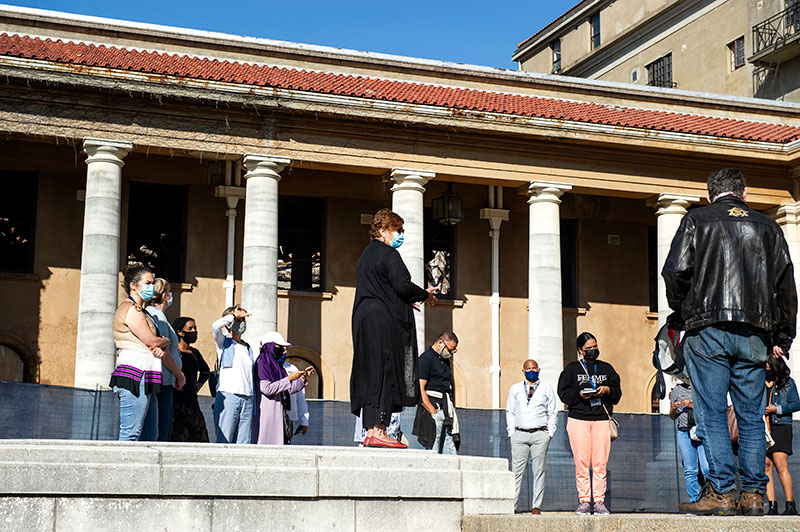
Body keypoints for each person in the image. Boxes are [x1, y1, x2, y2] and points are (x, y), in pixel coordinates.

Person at [663, 168, 797, 516]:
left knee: (711, 412)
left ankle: (722, 491)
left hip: (707, 328)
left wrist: (685, 309)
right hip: (755, 332)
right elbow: (786, 288)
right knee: (752, 416)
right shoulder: (769, 228)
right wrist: (782, 337)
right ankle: (754, 494)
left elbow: (675, 271)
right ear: (745, 193)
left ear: (710, 195)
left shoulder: (697, 220)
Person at [350, 208, 437, 448]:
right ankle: (379, 429)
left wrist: (406, 300)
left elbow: (384, 287)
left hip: (363, 319)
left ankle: (371, 430)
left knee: (369, 371)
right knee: (385, 370)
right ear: (382, 230)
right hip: (382, 322)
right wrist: (422, 294)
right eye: (397, 230)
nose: (400, 235)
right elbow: (401, 284)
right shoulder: (388, 254)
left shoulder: (367, 255)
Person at [557, 332, 622, 516]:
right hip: (578, 419)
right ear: (580, 350)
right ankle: (584, 501)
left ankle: (599, 501)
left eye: (595, 347)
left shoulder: (607, 369)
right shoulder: (571, 369)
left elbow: (617, 394)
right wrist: (580, 394)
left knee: (600, 462)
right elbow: (563, 394)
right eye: (589, 348)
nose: (593, 350)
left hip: (601, 419)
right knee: (582, 462)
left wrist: (607, 389)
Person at [110, 264, 170, 441]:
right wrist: (165, 341)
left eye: (153, 282)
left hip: (148, 374)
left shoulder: (143, 311)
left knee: (150, 435)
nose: (152, 287)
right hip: (135, 374)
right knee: (131, 433)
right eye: (148, 283)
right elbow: (151, 341)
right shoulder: (131, 309)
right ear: (133, 286)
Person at [506, 359, 557, 515]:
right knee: (516, 471)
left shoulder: (547, 389)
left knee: (539, 470)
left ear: (539, 370)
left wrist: (549, 433)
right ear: (523, 371)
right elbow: (510, 411)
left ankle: (536, 506)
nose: (531, 370)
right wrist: (511, 432)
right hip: (519, 434)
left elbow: (552, 412)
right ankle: (512, 506)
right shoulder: (515, 389)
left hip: (540, 434)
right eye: (528, 368)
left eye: (534, 368)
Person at [252, 331, 313, 445]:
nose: (282, 350)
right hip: (265, 412)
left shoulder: (277, 367)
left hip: (277, 412)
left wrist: (303, 378)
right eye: (279, 347)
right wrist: (289, 379)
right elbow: (266, 388)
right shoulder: (262, 363)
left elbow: (289, 389)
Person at [143, 278, 185, 441]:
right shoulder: (157, 315)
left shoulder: (158, 315)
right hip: (163, 382)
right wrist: (179, 375)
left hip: (166, 381)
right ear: (165, 295)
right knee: (161, 431)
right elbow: (164, 351)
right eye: (169, 292)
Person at [211, 305, 254, 444]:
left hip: (247, 398)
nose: (242, 324)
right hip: (229, 395)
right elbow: (215, 326)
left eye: (243, 321)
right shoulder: (223, 341)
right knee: (225, 439)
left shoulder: (247, 347)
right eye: (239, 321)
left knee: (244, 441)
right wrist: (233, 316)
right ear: (229, 323)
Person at [413, 332, 460, 454]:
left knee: (450, 447)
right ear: (440, 343)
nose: (450, 353)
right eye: (450, 349)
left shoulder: (445, 361)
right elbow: (420, 388)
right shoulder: (426, 359)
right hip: (433, 409)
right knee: (434, 448)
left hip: (445, 408)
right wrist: (433, 412)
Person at [765, 356, 800, 515]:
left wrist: (777, 409)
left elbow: (796, 403)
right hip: (762, 427)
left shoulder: (788, 382)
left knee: (780, 465)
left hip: (780, 425)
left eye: (766, 362)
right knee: (765, 466)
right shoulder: (756, 381)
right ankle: (772, 505)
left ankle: (790, 504)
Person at [170, 316, 210, 442]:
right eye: (190, 328)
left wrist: (199, 384)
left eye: (195, 328)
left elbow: (205, 371)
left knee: (200, 438)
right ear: (179, 332)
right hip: (175, 402)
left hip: (192, 403)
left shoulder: (195, 353)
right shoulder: (173, 352)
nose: (194, 331)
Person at [670, 381, 710, 503]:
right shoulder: (677, 390)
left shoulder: (702, 384)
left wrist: (691, 404)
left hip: (701, 431)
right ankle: (694, 500)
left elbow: (708, 407)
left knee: (706, 467)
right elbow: (672, 416)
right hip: (684, 432)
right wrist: (673, 408)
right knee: (690, 470)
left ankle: (710, 498)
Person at [283, 359, 310, 439]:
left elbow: (300, 397)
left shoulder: (292, 369)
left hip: (288, 416)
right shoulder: (266, 367)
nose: (285, 352)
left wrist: (304, 421)